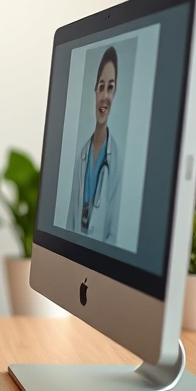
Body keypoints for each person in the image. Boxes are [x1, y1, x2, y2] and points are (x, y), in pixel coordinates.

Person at [67, 46, 124, 244]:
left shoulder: (116, 158)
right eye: (101, 86)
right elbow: (70, 220)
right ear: (94, 92)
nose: (104, 96)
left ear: (115, 93)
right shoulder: (82, 153)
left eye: (110, 87)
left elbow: (114, 231)